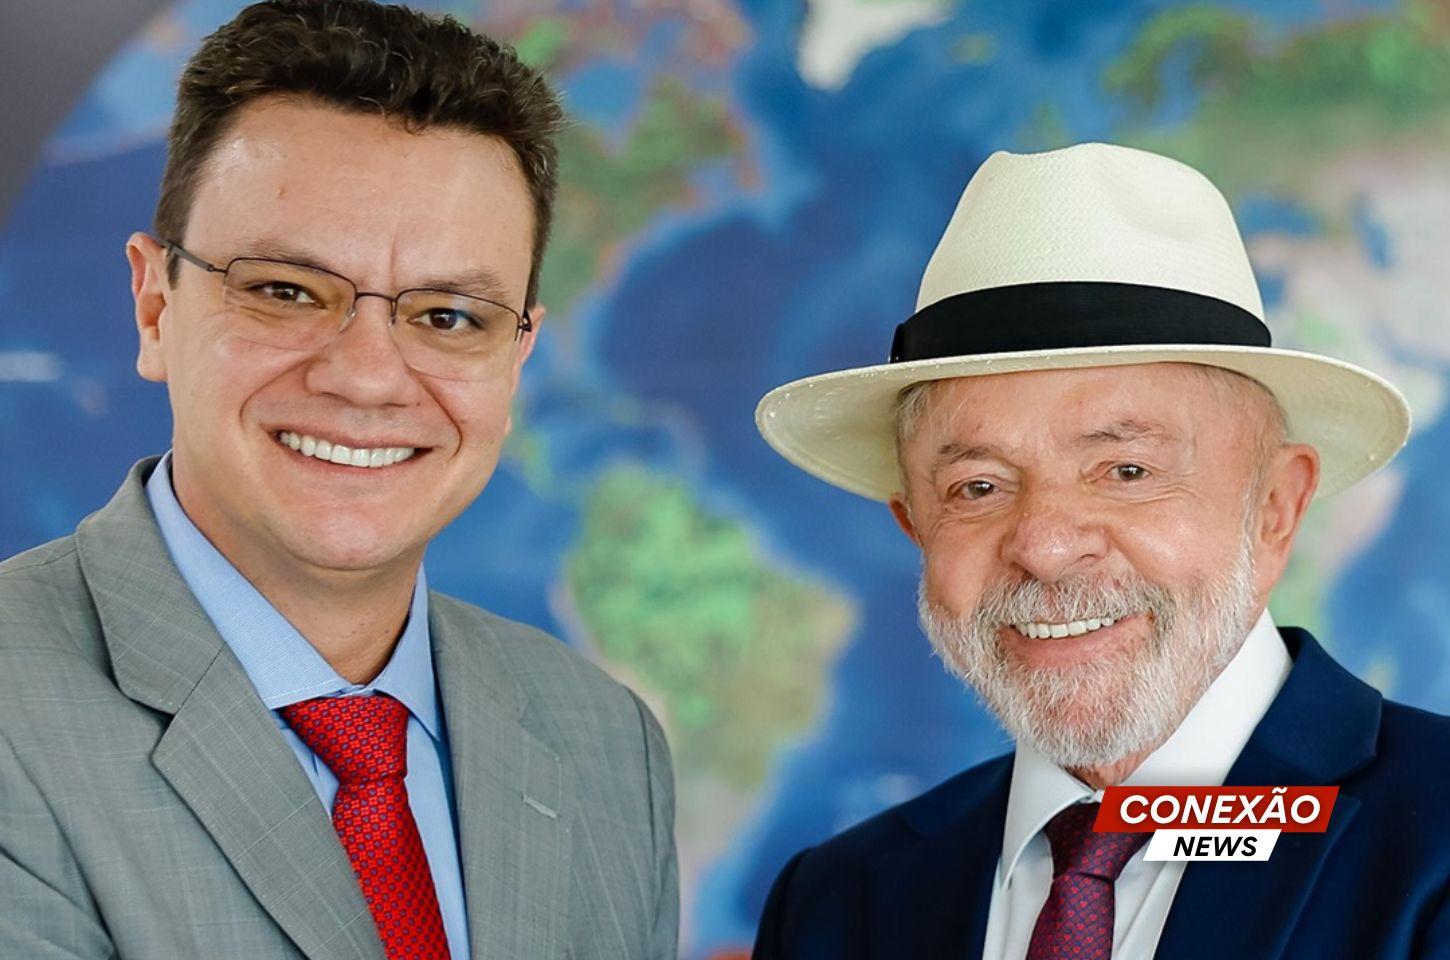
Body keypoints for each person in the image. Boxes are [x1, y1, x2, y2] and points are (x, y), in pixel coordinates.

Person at [0, 3, 677, 958]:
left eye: (448, 316)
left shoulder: (607, 744)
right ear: (155, 308)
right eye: (285, 291)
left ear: (517, 354)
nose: (366, 377)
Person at [750, 142, 1450, 959]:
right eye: (979, 487)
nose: (1046, 547)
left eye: (1126, 471)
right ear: (916, 526)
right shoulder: (836, 905)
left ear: (1274, 508)